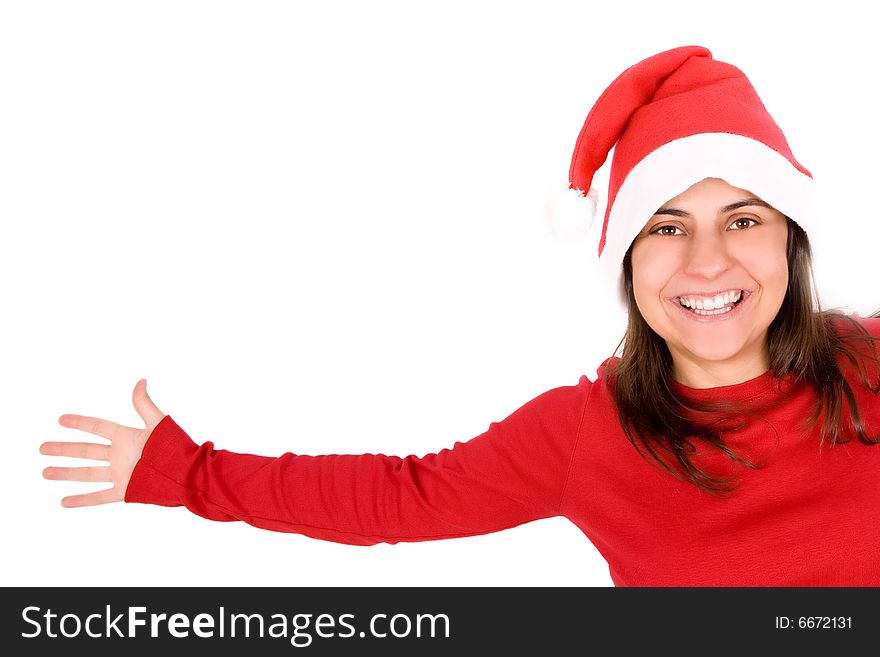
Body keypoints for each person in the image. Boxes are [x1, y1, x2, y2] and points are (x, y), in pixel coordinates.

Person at [40, 45, 880, 586]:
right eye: (666, 226)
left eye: (743, 219)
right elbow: (398, 497)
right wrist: (187, 472)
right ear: (626, 259)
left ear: (789, 244)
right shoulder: (590, 433)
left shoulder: (870, 364)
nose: (707, 262)